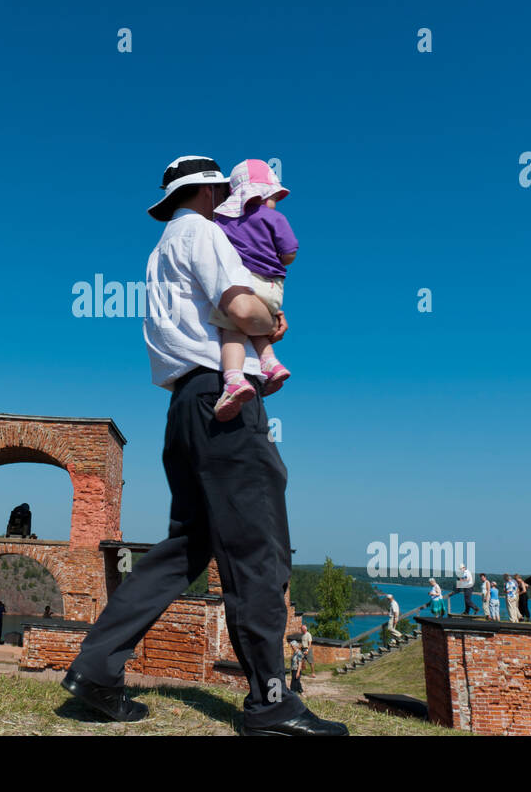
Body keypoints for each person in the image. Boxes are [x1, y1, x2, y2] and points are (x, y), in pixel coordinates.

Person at [61, 155, 345, 736]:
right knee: (259, 546)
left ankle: (95, 668)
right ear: (211, 192)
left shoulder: (159, 250)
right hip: (222, 401)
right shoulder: (206, 234)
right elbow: (238, 306)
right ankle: (270, 702)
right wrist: (270, 317)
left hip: (183, 407)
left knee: (186, 548)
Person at [207, 160, 298, 420]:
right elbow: (290, 253)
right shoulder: (276, 218)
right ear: (263, 193)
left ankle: (234, 378)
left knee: (232, 329)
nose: (276, 202)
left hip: (244, 281)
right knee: (252, 325)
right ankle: (270, 363)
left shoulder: (222, 220)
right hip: (273, 287)